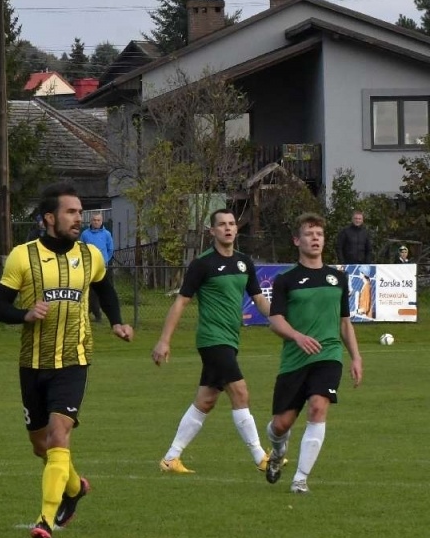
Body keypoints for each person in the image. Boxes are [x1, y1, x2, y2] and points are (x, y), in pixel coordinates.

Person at [0, 183, 133, 538]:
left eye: (80, 211)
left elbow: (105, 288)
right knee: (41, 446)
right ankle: (73, 488)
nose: (78, 218)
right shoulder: (22, 256)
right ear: (49, 218)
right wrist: (25, 315)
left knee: (59, 434)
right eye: (71, 212)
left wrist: (116, 321)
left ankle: (45, 519)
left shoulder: (91, 256)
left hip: (74, 360)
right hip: (32, 362)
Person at [151, 209, 272, 474]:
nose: (228, 228)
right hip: (212, 339)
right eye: (222, 225)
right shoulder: (202, 264)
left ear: (236, 230)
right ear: (212, 231)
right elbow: (181, 302)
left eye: (231, 224)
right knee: (240, 392)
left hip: (230, 339)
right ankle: (261, 457)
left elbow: (258, 298)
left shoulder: (244, 262)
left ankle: (171, 458)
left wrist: (280, 320)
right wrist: (164, 340)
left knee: (206, 400)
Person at [264, 214, 364, 495]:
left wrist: (355, 357)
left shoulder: (338, 278)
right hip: (294, 360)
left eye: (319, 233)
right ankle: (277, 451)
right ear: (297, 240)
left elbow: (345, 322)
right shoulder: (286, 280)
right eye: (309, 234)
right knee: (281, 424)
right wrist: (297, 336)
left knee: (319, 407)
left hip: (329, 355)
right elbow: (275, 321)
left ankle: (300, 479)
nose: (315, 238)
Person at [80, 212, 116, 322]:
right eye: (94, 220)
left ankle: (95, 313)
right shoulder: (85, 234)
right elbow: (81, 248)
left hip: (102, 267)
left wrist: (104, 261)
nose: (96, 222)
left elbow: (110, 249)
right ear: (91, 221)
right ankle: (94, 312)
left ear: (101, 221)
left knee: (102, 291)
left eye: (98, 220)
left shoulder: (107, 234)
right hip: (88, 267)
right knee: (90, 291)